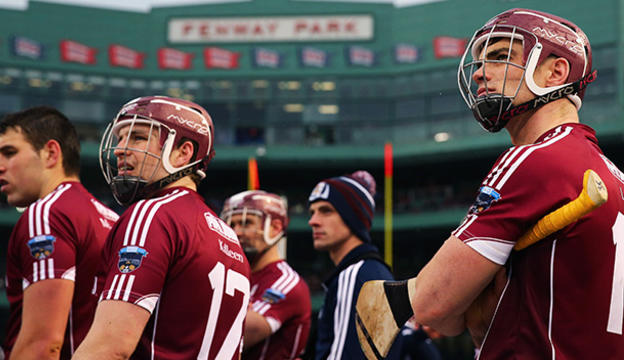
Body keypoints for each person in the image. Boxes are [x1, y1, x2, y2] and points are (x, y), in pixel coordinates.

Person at [411, 8, 624, 359]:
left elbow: (431, 306)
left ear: (556, 71)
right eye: (480, 61)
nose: (480, 73)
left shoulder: (533, 160)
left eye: (499, 57)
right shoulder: (614, 177)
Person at [72, 96, 251, 359]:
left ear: (183, 152)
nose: (120, 149)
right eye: (121, 138)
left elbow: (109, 347)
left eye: (138, 138)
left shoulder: (152, 214)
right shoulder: (230, 238)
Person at [0, 106, 118, 359]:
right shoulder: (112, 220)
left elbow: (43, 345)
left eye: (9, 152)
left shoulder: (47, 214)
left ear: (50, 153)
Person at [308, 170, 403, 359]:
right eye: (312, 212)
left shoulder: (355, 276)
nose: (313, 221)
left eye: (326, 211)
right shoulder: (370, 271)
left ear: (353, 217)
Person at [221, 190, 312, 359]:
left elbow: (234, 335)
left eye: (246, 223)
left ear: (275, 228)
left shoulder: (286, 282)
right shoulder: (232, 273)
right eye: (232, 225)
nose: (237, 232)